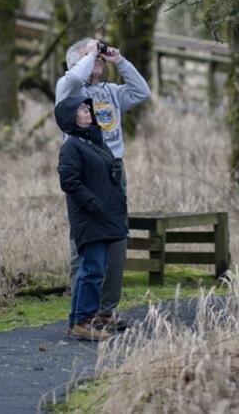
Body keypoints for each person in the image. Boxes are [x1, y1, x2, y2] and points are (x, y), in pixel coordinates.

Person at [55, 37, 150, 331]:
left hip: (114, 169)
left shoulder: (110, 91)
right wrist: (90, 53)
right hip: (85, 170)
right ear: (76, 62)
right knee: (84, 244)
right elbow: (75, 77)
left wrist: (118, 60)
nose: (96, 59)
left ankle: (106, 310)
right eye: (89, 56)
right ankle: (82, 312)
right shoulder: (69, 90)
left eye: (97, 55)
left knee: (116, 240)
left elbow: (142, 92)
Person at [56, 95, 128, 341]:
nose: (88, 111)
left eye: (88, 108)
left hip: (104, 215)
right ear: (70, 117)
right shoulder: (72, 146)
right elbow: (69, 182)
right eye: (81, 109)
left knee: (93, 268)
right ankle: (83, 322)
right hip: (90, 217)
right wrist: (93, 204)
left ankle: (78, 321)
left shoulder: (94, 142)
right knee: (92, 269)